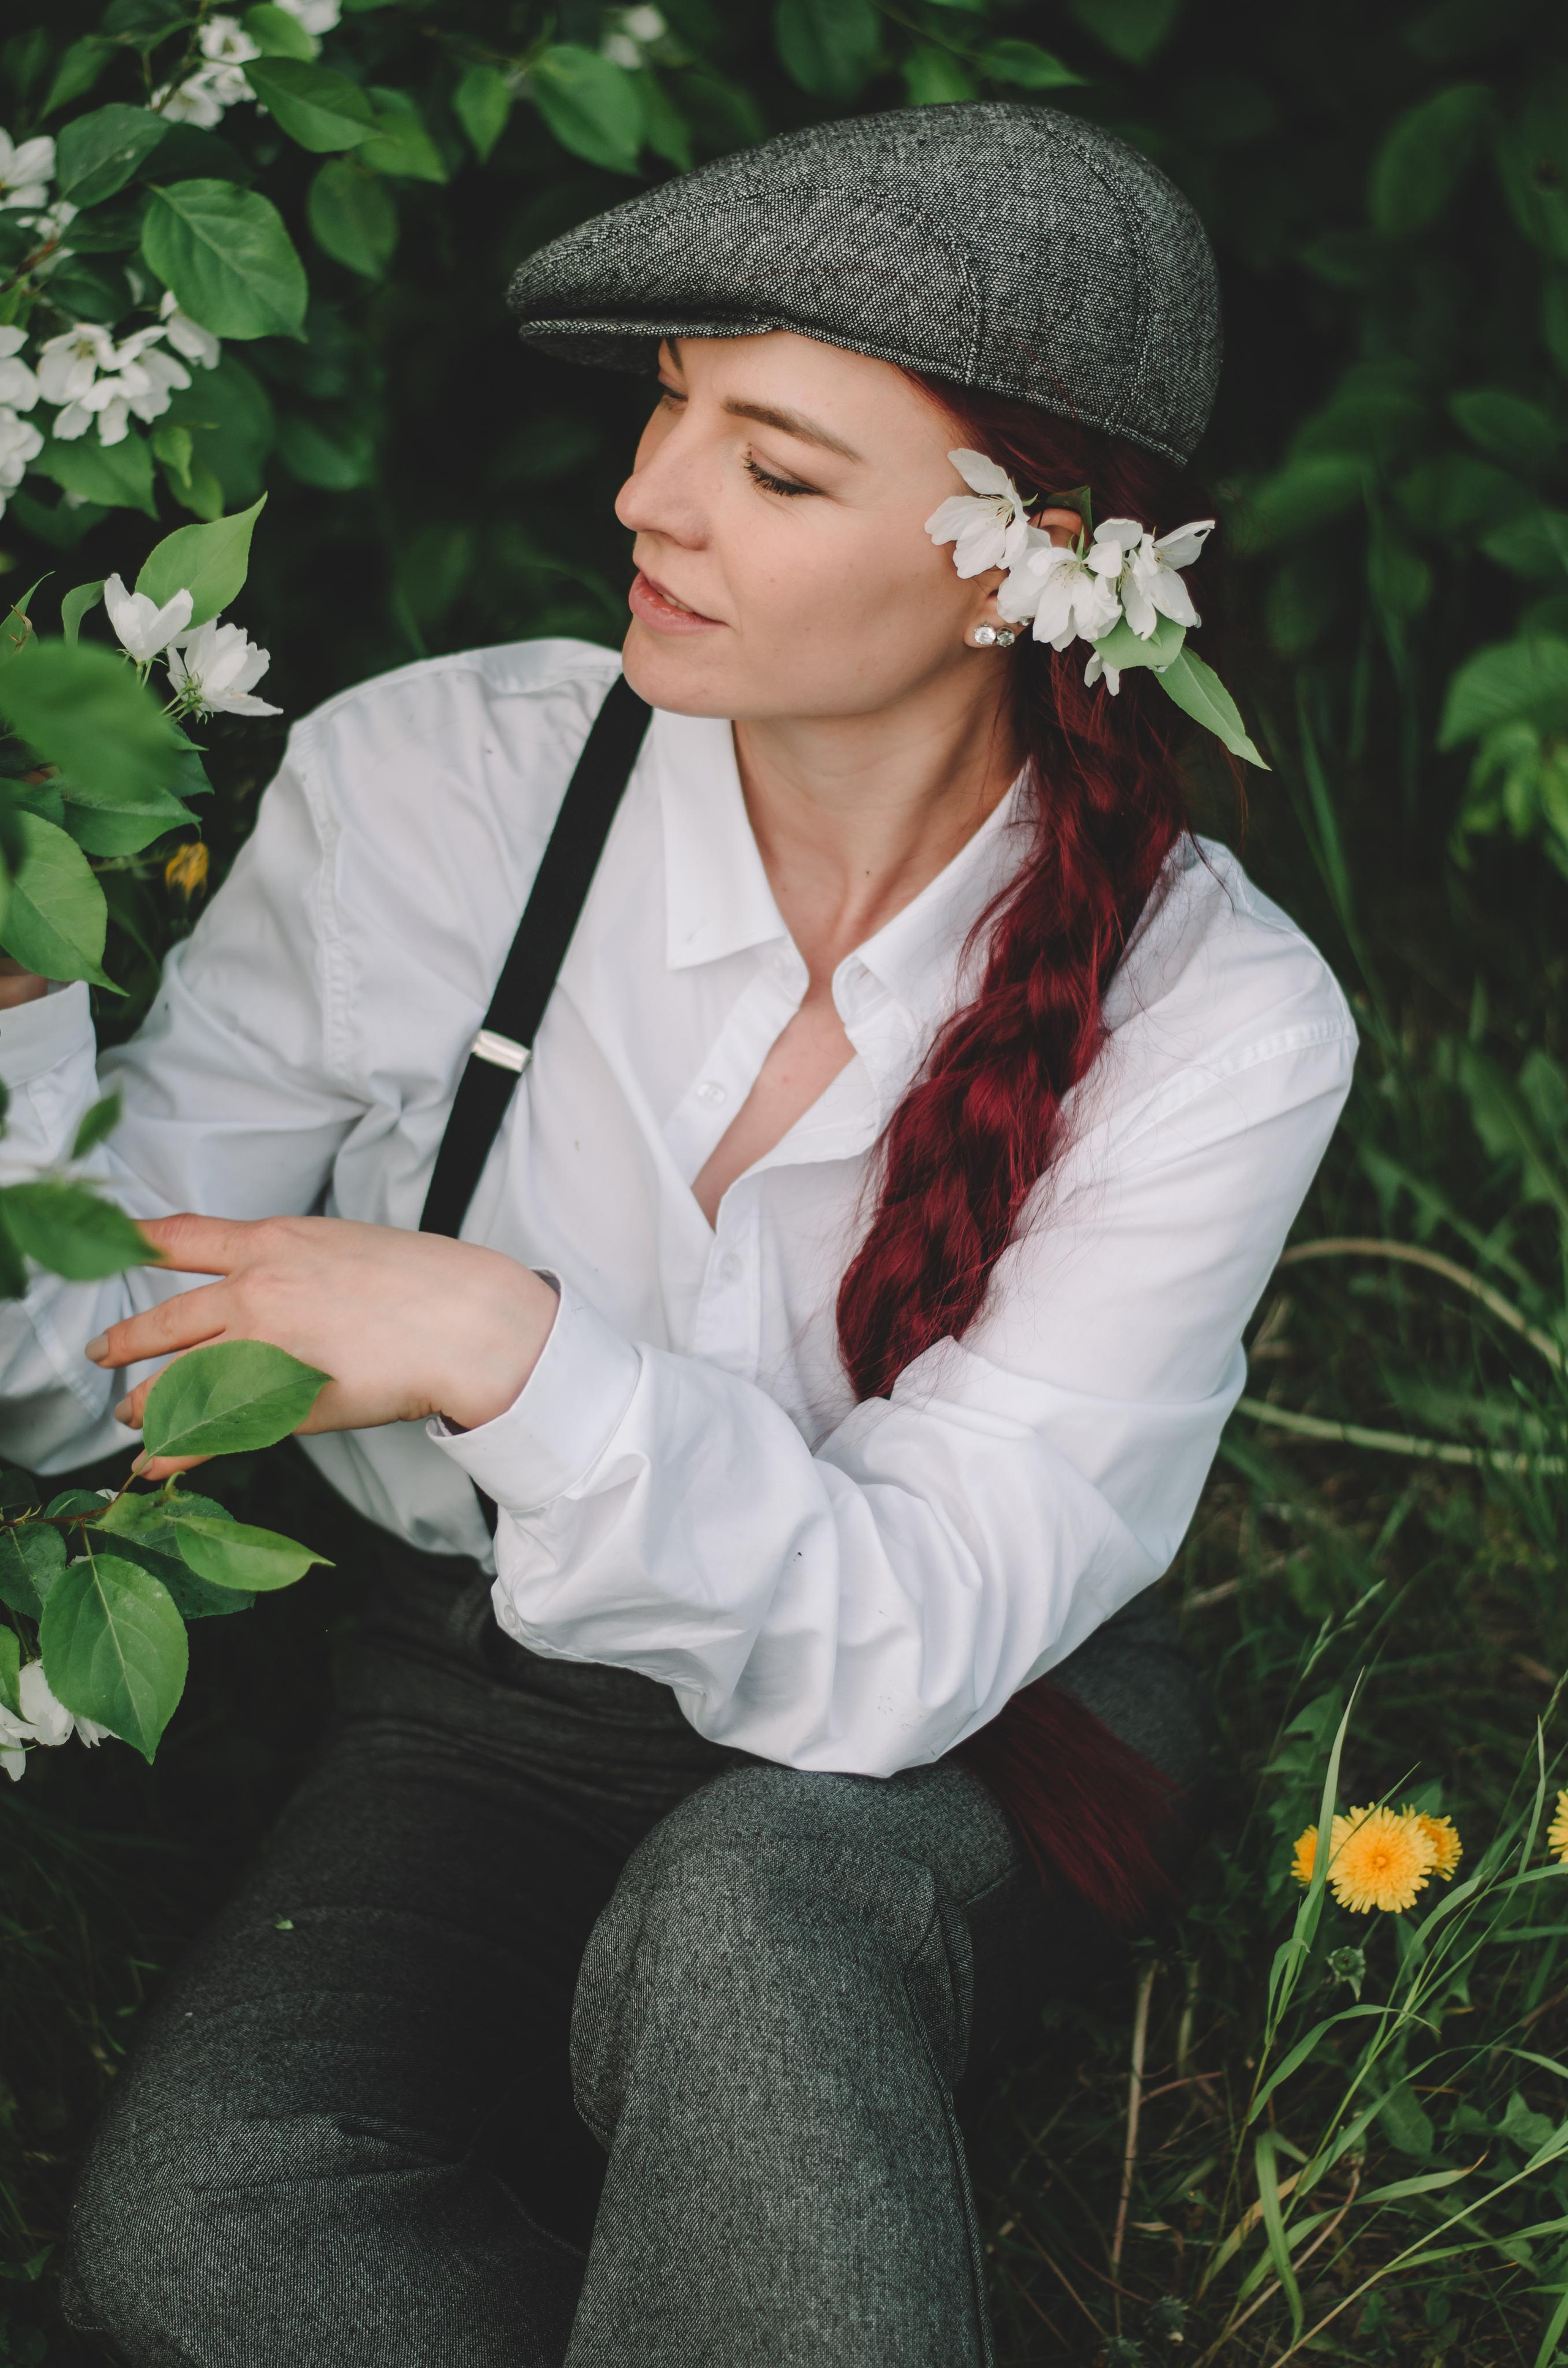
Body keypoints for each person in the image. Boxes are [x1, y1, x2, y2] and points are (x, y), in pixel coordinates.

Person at [11, 102, 1355, 2368]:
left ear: (1027, 564)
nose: (648, 500)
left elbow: (917, 1634)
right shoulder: (430, 794)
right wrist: (22, 996)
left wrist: (506, 1343)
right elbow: (80, 1350)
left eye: (780, 465)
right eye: (666, 410)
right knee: (205, 2239)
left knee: (745, 1921)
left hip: (964, 1730)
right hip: (488, 1701)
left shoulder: (1214, 1016)